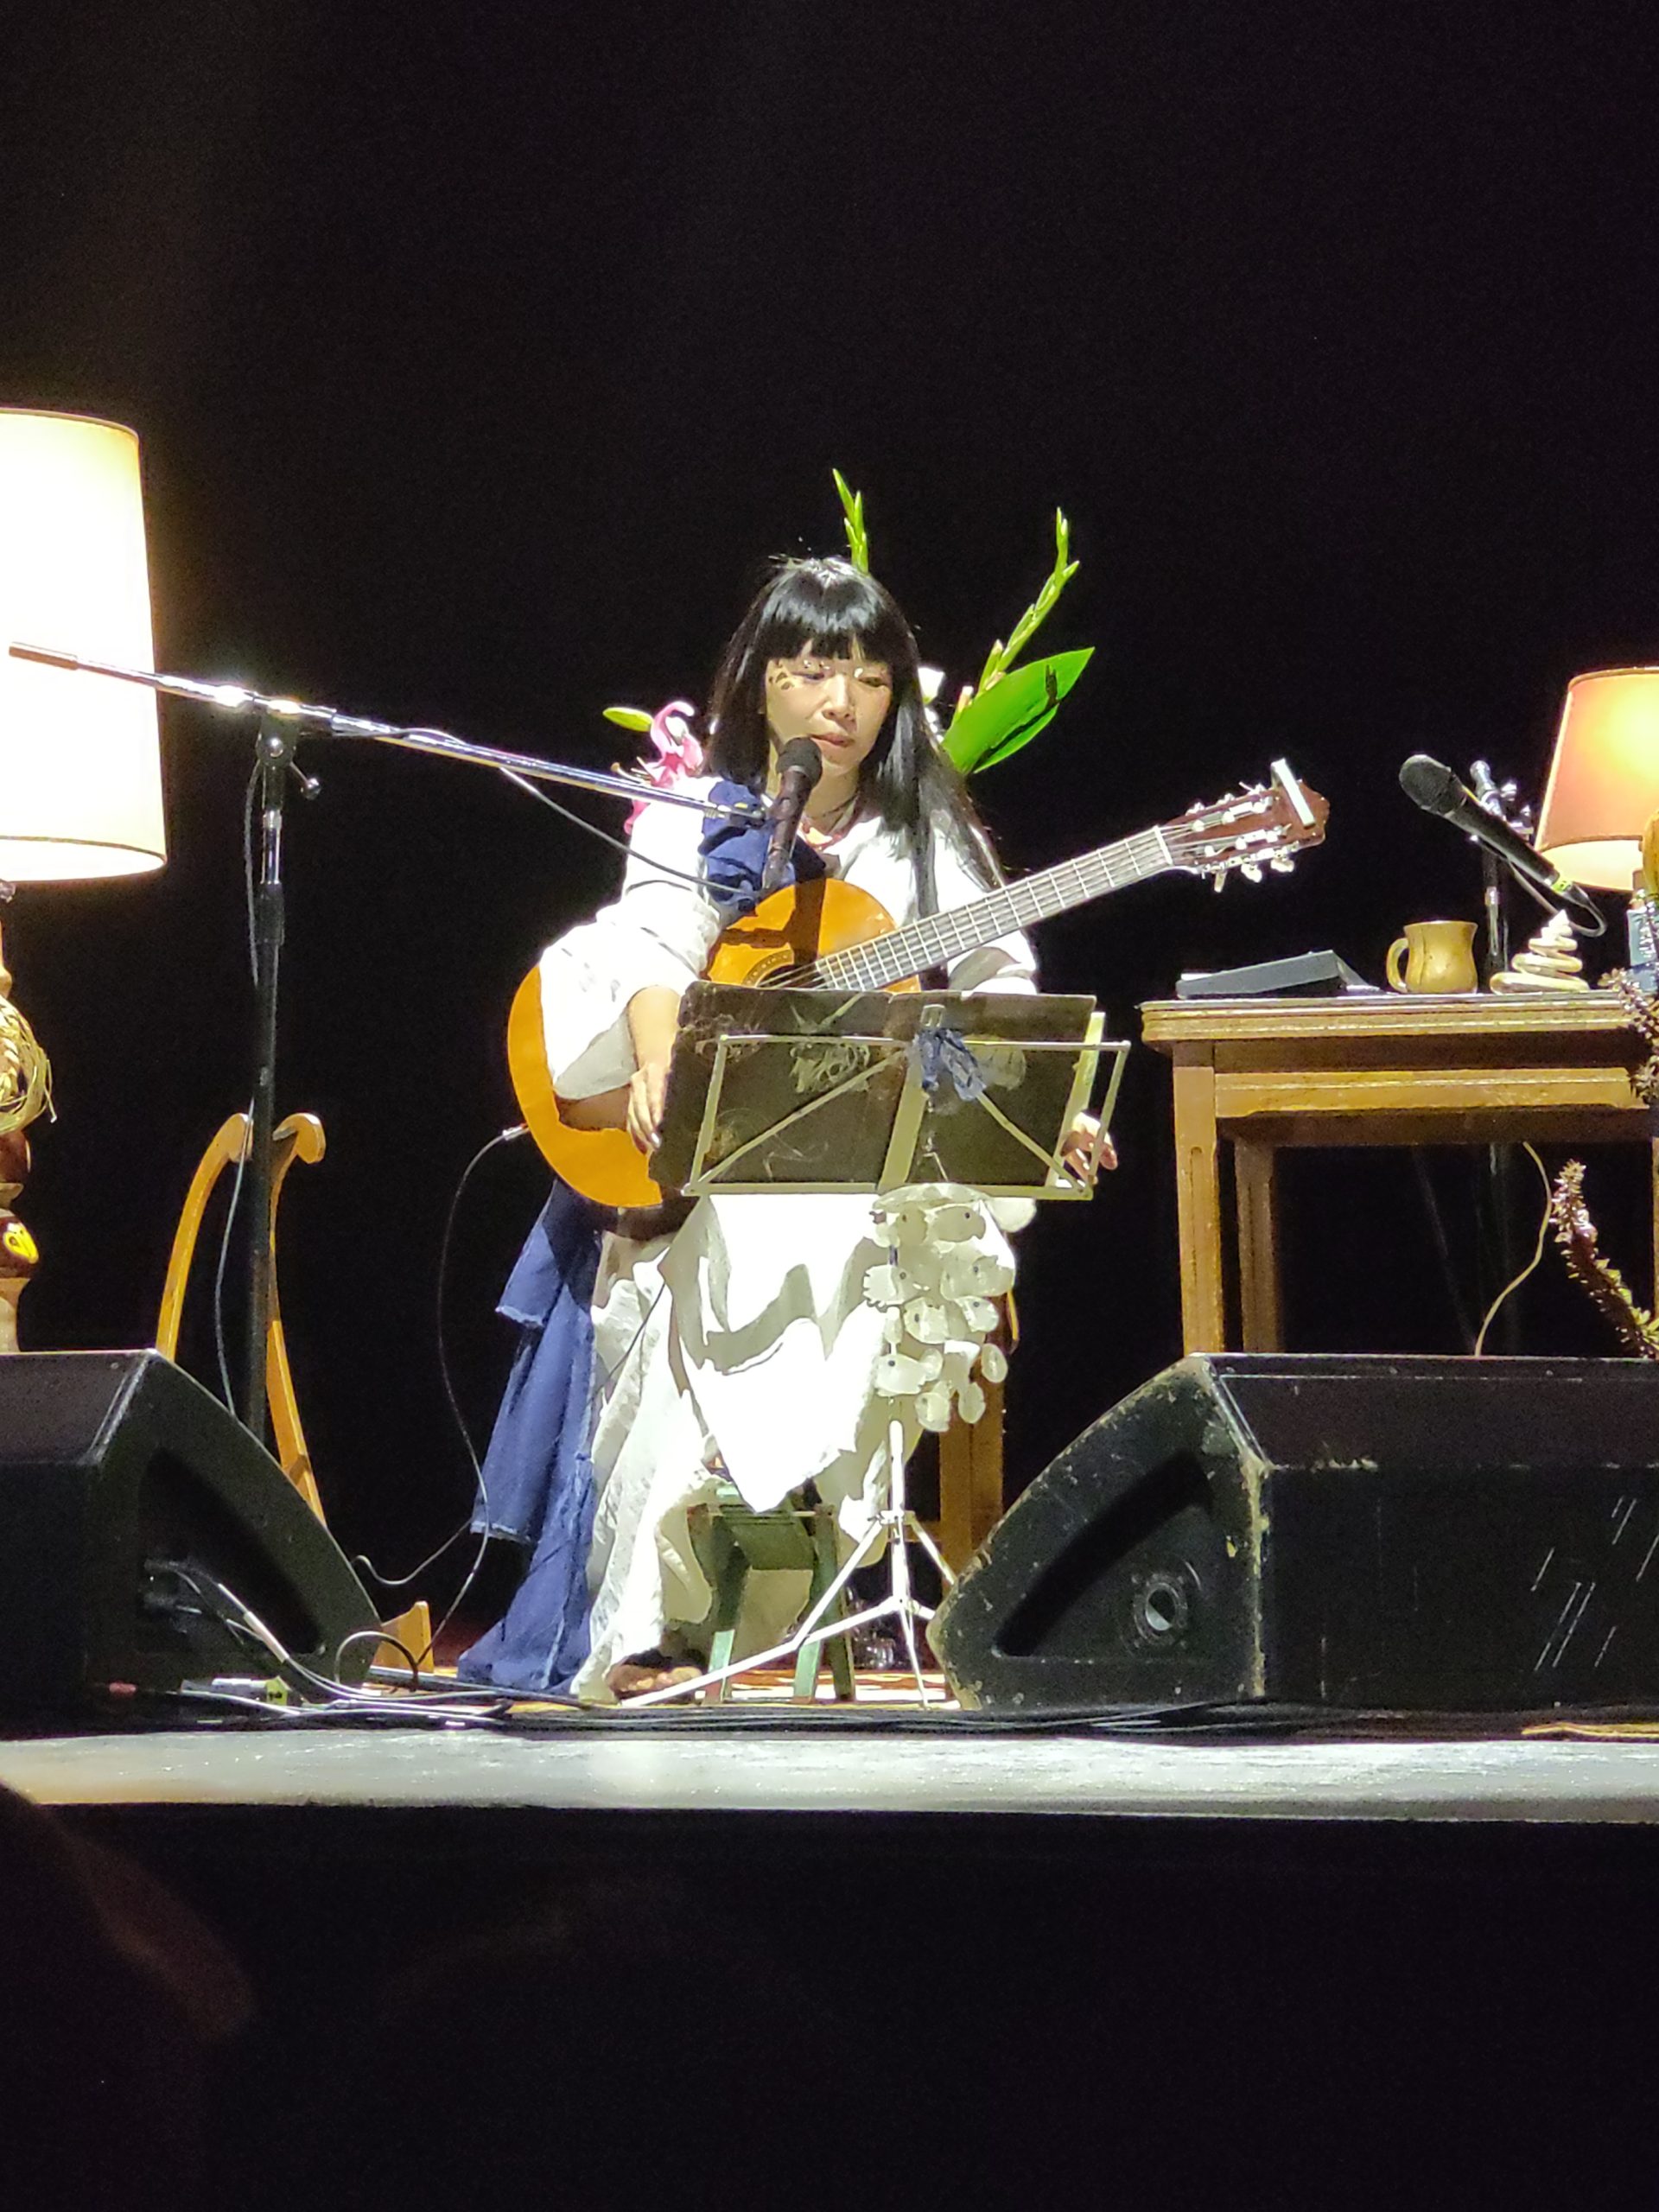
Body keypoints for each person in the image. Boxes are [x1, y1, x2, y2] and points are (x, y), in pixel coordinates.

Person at [459, 556, 1109, 1703]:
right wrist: (660, 1058)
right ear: (759, 683)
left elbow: (1000, 987)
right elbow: (647, 944)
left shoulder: (923, 838)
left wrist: (1046, 1110)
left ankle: (783, 1588)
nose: (843, 703)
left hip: (867, 1162)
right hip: (704, 1169)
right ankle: (659, 1619)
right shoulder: (697, 812)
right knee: (737, 1231)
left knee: (829, 1230)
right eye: (813, 671)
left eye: (872, 677)